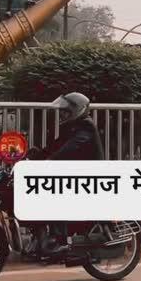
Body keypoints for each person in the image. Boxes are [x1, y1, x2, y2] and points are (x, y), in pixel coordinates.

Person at [34, 92, 104, 256]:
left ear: (76, 111)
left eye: (65, 112)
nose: (62, 115)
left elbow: (69, 148)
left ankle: (59, 240)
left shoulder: (86, 127)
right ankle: (41, 237)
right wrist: (36, 155)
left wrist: (50, 160)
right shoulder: (71, 127)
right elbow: (56, 146)